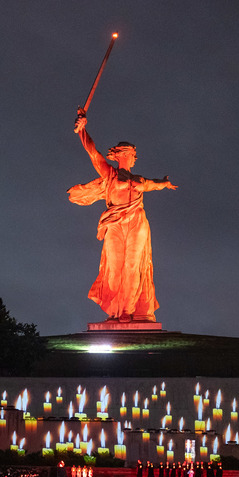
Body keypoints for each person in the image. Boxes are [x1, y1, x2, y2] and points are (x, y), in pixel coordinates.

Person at [68, 110, 176, 323]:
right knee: (115, 268)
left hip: (137, 222)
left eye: (133, 155)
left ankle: (128, 310)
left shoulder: (139, 180)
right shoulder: (110, 175)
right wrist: (82, 130)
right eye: (131, 154)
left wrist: (165, 183)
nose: (133, 158)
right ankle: (115, 311)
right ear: (121, 155)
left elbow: (155, 184)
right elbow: (93, 153)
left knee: (133, 267)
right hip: (115, 223)